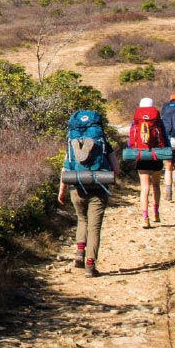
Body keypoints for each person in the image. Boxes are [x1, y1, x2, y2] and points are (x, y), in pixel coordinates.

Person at [56, 109, 112, 278]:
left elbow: (66, 167)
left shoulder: (70, 140)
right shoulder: (103, 142)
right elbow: (116, 168)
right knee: (94, 227)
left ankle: (80, 252)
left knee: (82, 219)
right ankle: (90, 265)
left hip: (76, 184)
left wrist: (62, 190)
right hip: (98, 184)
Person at [126, 98, 168, 228]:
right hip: (156, 155)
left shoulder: (136, 121)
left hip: (142, 155)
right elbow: (165, 138)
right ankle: (156, 212)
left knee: (144, 187)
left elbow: (130, 141)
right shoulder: (157, 120)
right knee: (156, 185)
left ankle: (145, 217)